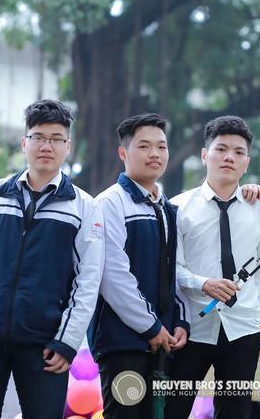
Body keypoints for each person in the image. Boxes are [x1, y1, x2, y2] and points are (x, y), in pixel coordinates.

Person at [0, 99, 104, 419]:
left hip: (45, 346)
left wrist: (67, 341)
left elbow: (88, 281)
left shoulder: (83, 207)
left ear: (68, 146)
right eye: (38, 137)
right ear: (24, 142)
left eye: (56, 139)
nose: (46, 146)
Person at [167, 115, 260, 419]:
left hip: (244, 330)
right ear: (205, 155)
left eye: (239, 152)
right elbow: (171, 269)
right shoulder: (177, 208)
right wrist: (203, 284)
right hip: (191, 329)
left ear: (246, 162)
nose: (229, 157)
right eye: (221, 149)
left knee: (235, 413)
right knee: (173, 409)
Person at [91, 113, 190, 419]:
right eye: (144, 146)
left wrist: (180, 321)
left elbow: (174, 271)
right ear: (123, 153)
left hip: (163, 342)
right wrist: (151, 326)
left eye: (161, 146)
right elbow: (113, 276)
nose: (154, 154)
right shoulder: (110, 203)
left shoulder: (166, 207)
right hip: (122, 343)